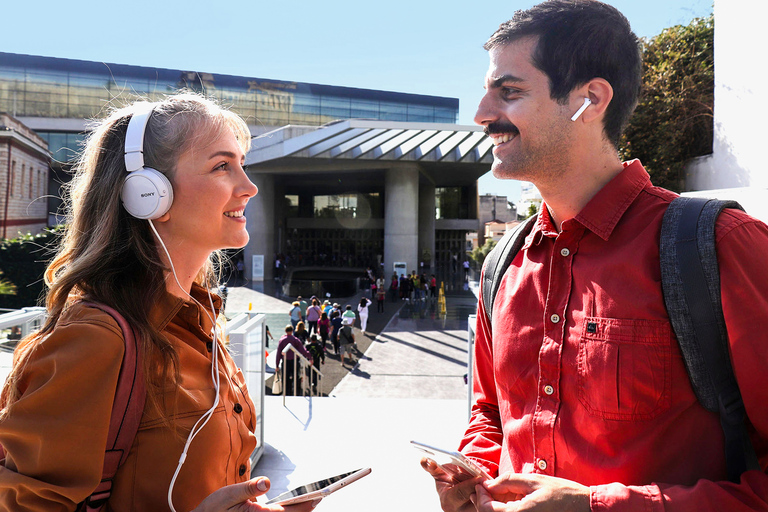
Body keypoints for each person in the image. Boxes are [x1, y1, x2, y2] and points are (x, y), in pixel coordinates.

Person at [422, 2, 768, 512]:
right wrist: (472, 474)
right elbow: (491, 414)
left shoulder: (722, 246)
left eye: (509, 91)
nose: (480, 114)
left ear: (590, 99)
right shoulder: (504, 265)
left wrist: (598, 506)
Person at [0, 94, 318, 511]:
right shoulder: (95, 339)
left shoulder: (200, 323)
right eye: (222, 166)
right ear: (147, 193)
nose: (249, 186)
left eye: (241, 163)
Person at [276, 325, 313, 397]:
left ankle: (286, 394)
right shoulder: (295, 340)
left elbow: (278, 353)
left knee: (285, 378)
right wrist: (310, 357)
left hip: (285, 361)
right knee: (296, 377)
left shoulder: (282, 340)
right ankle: (296, 392)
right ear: (292, 331)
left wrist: (277, 365)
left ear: (285, 331)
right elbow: (303, 350)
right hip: (294, 361)